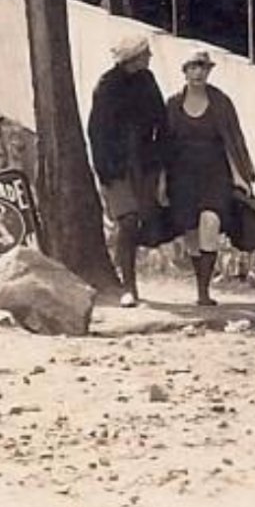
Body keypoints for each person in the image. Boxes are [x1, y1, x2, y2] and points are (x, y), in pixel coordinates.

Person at [163, 49, 255, 307]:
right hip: (182, 177)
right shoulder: (173, 104)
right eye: (193, 67)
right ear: (185, 72)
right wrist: (161, 181)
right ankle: (199, 284)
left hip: (214, 174)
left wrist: (240, 176)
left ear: (209, 72)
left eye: (203, 68)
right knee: (192, 230)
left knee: (211, 221)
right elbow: (164, 145)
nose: (198, 73)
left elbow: (232, 140)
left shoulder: (220, 102)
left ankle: (204, 293)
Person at [86, 33, 166, 307]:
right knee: (128, 221)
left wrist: (158, 155)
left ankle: (130, 278)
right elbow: (97, 131)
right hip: (116, 164)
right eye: (145, 54)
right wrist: (105, 170)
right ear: (133, 58)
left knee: (144, 220)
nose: (149, 58)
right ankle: (127, 286)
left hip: (143, 161)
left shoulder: (147, 81)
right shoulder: (108, 86)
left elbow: (160, 119)